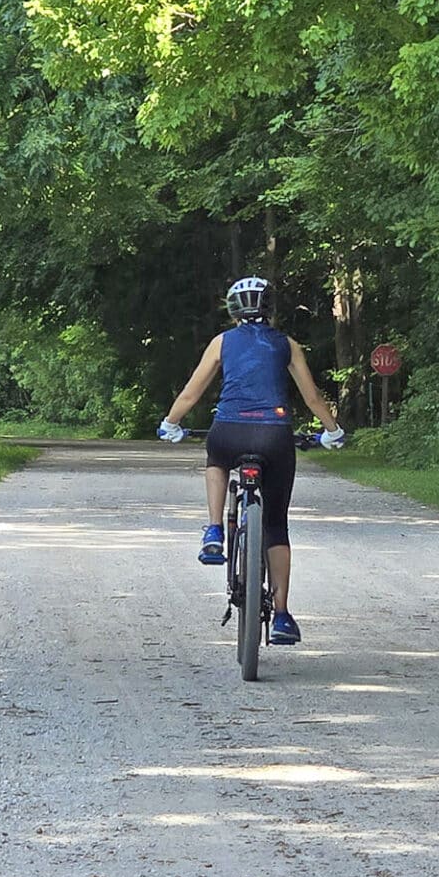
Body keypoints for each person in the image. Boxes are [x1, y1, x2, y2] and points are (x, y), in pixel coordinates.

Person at [157, 276, 344, 646]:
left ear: (233, 309)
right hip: (275, 436)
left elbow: (192, 392)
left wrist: (170, 424)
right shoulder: (287, 345)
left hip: (229, 431)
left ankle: (213, 530)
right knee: (276, 524)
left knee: (216, 459)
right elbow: (313, 399)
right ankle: (283, 615)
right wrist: (332, 431)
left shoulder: (222, 342)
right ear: (269, 307)